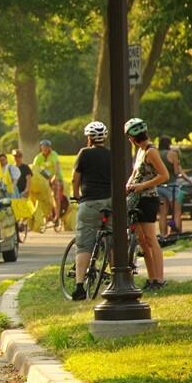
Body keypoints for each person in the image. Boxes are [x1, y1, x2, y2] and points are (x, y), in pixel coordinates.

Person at [124, 118, 169, 290]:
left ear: (134, 138)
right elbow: (135, 173)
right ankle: (151, 278)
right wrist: (127, 187)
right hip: (136, 197)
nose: (129, 141)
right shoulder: (140, 151)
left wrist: (141, 186)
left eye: (129, 138)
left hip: (148, 199)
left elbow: (164, 175)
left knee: (151, 239)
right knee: (141, 240)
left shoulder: (151, 151)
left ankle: (159, 279)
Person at [70, 121, 111, 300]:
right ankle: (118, 279)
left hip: (90, 202)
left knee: (84, 244)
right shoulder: (112, 154)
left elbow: (75, 179)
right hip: (111, 203)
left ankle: (80, 287)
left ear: (89, 138)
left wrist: (76, 195)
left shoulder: (84, 154)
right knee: (113, 242)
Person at [156, 136, 192, 237]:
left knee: (162, 214)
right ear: (169, 144)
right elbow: (176, 171)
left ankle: (163, 235)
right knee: (176, 212)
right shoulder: (172, 154)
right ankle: (176, 233)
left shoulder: (155, 154)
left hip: (159, 186)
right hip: (171, 186)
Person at [33, 140, 63, 222]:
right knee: (42, 196)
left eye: (47, 147)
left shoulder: (53, 155)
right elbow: (35, 168)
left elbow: (56, 166)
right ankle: (46, 214)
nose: (45, 148)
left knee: (55, 196)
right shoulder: (38, 157)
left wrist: (55, 177)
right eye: (43, 147)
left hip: (55, 178)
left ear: (49, 148)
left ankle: (57, 216)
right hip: (44, 179)